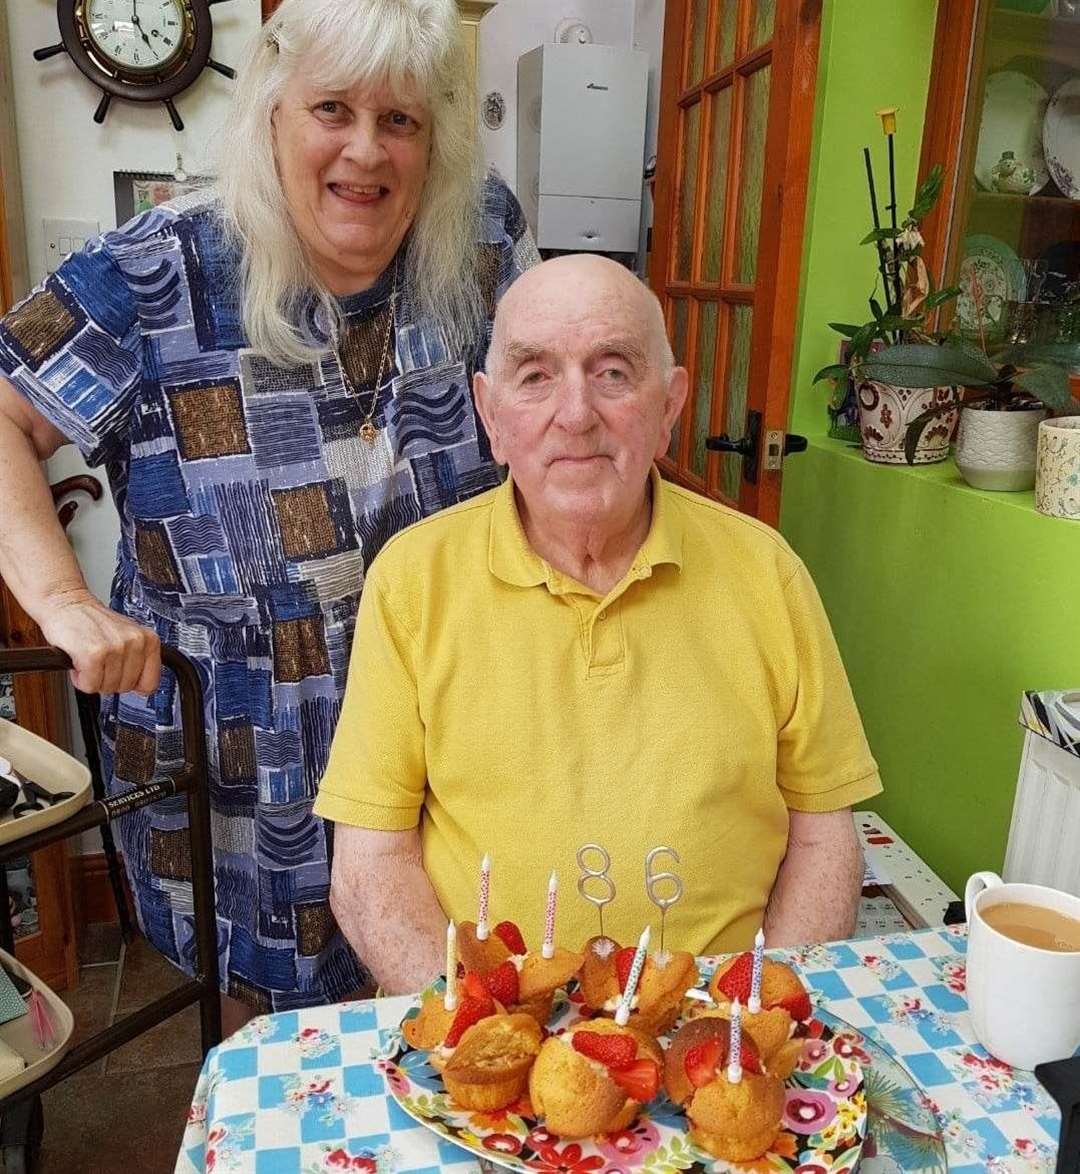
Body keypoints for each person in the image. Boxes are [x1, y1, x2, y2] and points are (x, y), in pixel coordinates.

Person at [0, 0, 537, 1017]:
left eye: (402, 121)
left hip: (444, 715)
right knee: (279, 1029)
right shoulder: (157, 270)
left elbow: (551, 404)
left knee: (457, 989)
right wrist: (63, 600)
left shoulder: (483, 237)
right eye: (333, 108)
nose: (366, 151)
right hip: (245, 738)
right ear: (275, 115)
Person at [316, 255, 882, 995]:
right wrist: (476, 1030)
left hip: (716, 1024)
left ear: (669, 407)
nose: (576, 413)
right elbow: (371, 866)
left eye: (613, 371)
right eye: (536, 375)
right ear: (491, 415)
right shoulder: (412, 581)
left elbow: (823, 836)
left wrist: (752, 1012)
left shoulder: (767, 573)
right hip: (491, 1019)